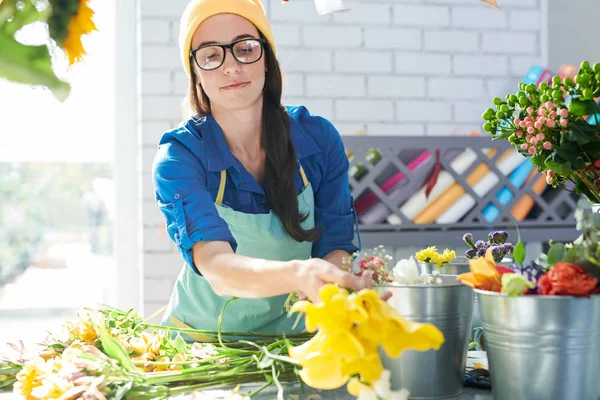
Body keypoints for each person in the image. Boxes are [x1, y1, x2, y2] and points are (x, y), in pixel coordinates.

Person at [152, 0, 381, 339]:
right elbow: (216, 266)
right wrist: (298, 274)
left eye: (245, 48)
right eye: (212, 55)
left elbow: (335, 243)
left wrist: (335, 290)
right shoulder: (180, 156)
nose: (231, 67)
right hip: (203, 345)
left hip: (296, 343)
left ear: (268, 59)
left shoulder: (317, 139)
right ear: (195, 73)